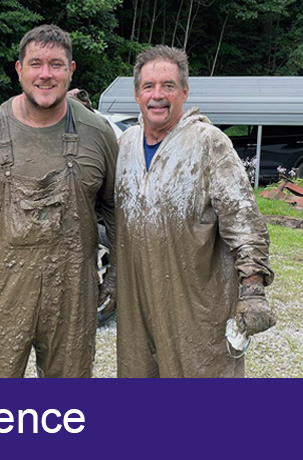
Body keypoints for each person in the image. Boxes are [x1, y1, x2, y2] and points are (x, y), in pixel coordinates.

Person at [0, 25, 118, 378]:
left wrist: (115, 277)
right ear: (19, 69)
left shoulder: (98, 132)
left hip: (73, 296)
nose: (46, 74)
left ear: (71, 70)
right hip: (2, 294)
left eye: (56, 65)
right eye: (36, 64)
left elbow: (116, 210)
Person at [115, 45, 276, 378]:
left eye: (168, 86)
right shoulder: (125, 144)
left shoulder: (208, 142)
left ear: (184, 92)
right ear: (136, 95)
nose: (157, 96)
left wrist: (253, 288)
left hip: (197, 308)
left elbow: (243, 221)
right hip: (137, 309)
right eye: (149, 86)